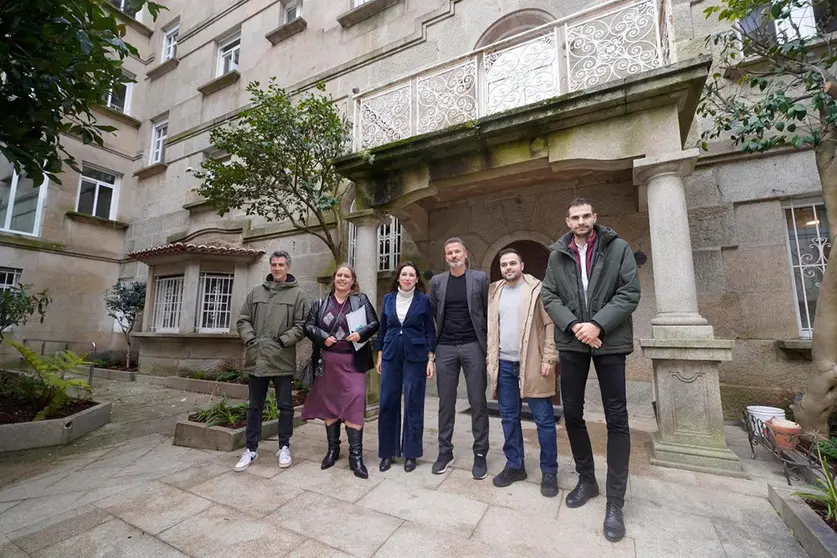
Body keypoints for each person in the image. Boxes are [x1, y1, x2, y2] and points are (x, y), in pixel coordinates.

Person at [541, 197, 641, 543]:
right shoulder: (557, 255)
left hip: (609, 341)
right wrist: (574, 326)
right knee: (571, 413)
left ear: (595, 218)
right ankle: (587, 479)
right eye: (574, 217)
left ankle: (615, 502)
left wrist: (597, 325)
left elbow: (629, 293)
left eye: (586, 216)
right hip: (571, 343)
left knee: (617, 418)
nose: (581, 221)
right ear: (567, 221)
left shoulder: (618, 248)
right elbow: (549, 296)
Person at [486, 248, 559, 497]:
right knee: (508, 418)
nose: (508, 267)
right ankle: (515, 465)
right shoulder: (495, 291)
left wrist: (549, 357)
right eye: (504, 264)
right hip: (504, 364)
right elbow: (492, 328)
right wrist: (490, 360)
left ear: (522, 265)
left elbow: (550, 325)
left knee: (544, 420)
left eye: (512, 263)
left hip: (533, 363)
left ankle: (549, 471)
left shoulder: (537, 290)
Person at [302, 264, 379, 479]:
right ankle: (333, 450)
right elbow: (307, 326)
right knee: (330, 406)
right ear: (334, 279)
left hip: (353, 362)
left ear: (352, 281)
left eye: (347, 276)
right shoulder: (320, 303)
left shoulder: (360, 300)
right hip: (327, 362)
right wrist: (321, 337)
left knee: (355, 401)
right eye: (339, 275)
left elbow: (375, 323)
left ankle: (356, 457)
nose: (342, 279)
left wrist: (361, 334)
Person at [235, 250, 308, 472]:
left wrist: (283, 341)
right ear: (270, 266)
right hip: (257, 359)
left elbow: (302, 324)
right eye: (274, 264)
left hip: (282, 360)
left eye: (281, 264)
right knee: (254, 406)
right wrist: (251, 340)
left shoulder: (298, 295)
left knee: (285, 406)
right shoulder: (256, 292)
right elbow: (243, 320)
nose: (277, 268)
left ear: (288, 267)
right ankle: (251, 449)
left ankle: (284, 446)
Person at [429, 237, 491, 479]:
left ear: (465, 254)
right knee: (446, 403)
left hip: (472, 345)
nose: (453, 256)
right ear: (446, 258)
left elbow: (487, 313)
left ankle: (480, 453)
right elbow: (434, 313)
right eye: (449, 253)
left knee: (478, 401)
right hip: (445, 347)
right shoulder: (437, 282)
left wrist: (488, 348)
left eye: (457, 251)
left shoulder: (480, 279)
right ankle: (445, 451)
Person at [376, 262, 436, 473]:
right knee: (388, 402)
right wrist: (380, 355)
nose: (408, 278)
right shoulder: (388, 299)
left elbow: (430, 329)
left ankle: (411, 453)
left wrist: (431, 358)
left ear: (417, 279)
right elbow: (383, 328)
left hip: (416, 356)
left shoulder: (424, 300)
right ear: (398, 278)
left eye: (412, 274)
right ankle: (387, 452)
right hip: (391, 354)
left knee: (413, 401)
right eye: (404, 274)